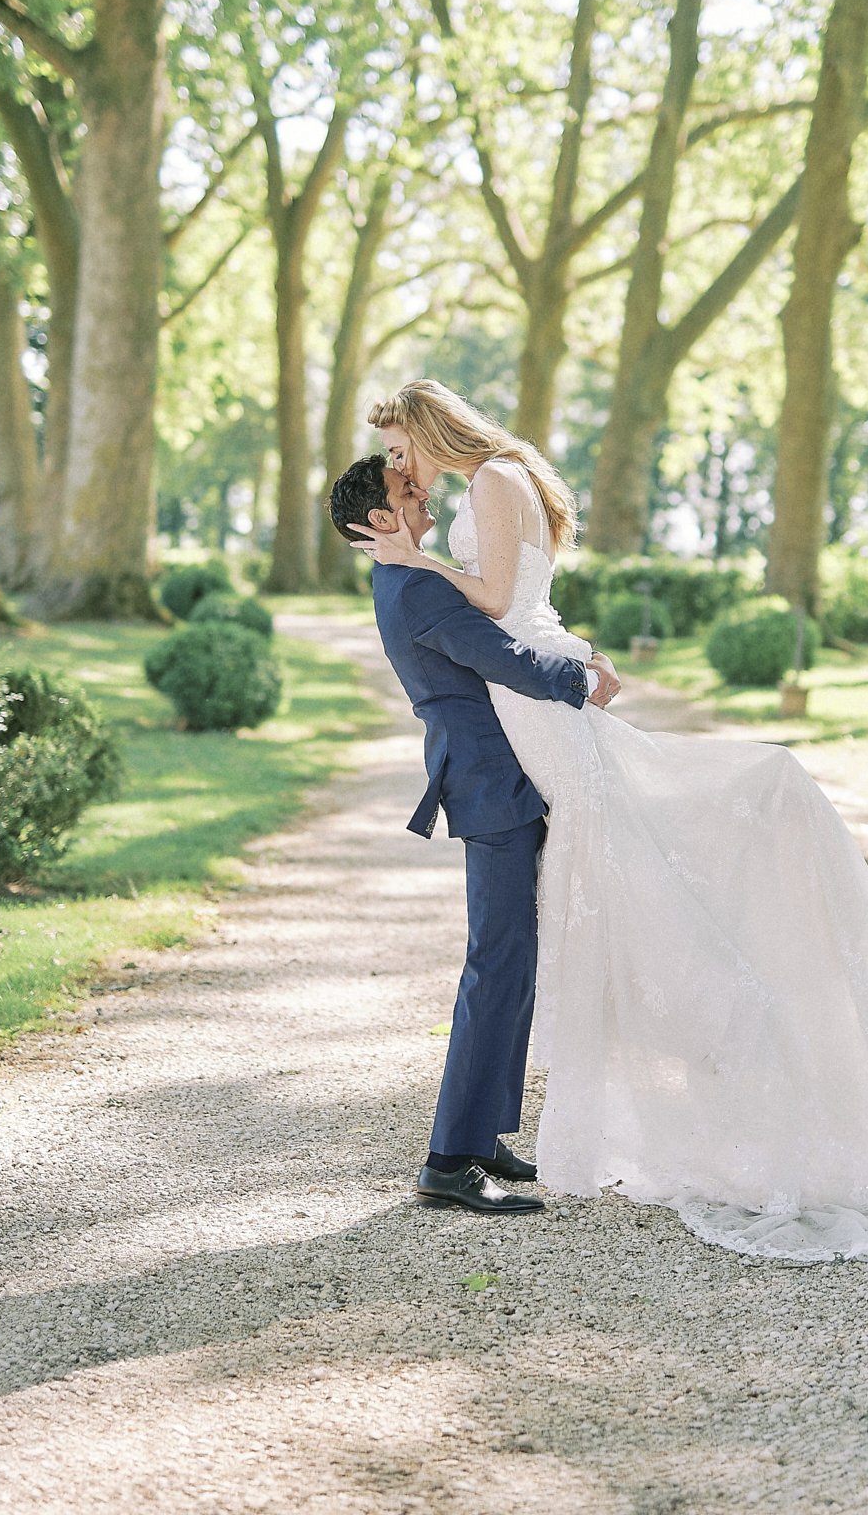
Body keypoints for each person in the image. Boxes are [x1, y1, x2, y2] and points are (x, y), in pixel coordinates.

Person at [347, 377, 868, 1305]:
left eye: (401, 448)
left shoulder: (488, 483)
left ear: (425, 428)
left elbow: (495, 603)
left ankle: (691, 1050)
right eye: (391, 465)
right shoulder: (484, 491)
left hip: (534, 725)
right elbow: (500, 624)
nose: (399, 468)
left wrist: (433, 569)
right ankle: (468, 1147)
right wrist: (535, 640)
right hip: (517, 742)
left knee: (596, 900)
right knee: (548, 927)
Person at [327, 451, 620, 1217]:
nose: (421, 491)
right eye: (406, 490)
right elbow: (500, 657)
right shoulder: (414, 585)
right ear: (384, 519)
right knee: (496, 960)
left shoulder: (405, 577)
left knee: (512, 958)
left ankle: (487, 1133)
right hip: (488, 780)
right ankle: (449, 1158)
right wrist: (581, 678)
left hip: (496, 774)